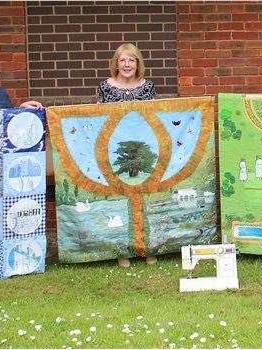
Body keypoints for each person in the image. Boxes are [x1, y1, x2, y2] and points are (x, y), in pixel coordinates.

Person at [98, 43, 157, 268]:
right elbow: (100, 117)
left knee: (146, 196)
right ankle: (122, 251)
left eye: (131, 60)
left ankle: (147, 248)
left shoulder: (148, 87)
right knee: (118, 199)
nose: (127, 64)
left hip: (143, 149)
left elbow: (153, 117)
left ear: (138, 63)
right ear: (116, 64)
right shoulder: (105, 87)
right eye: (122, 60)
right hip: (115, 150)